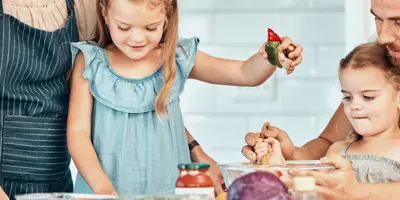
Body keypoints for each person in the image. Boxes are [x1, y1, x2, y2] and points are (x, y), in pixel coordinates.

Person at [67, 0, 303, 196]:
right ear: (105, 14)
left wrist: (272, 56)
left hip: (172, 191)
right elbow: (78, 134)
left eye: (150, 28)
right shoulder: (90, 62)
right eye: (124, 27)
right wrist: (102, 188)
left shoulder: (175, 58)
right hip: (103, 191)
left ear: (167, 17)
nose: (136, 38)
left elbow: (244, 73)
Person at [0, 0, 232, 199]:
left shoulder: (83, 6)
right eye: (124, 27)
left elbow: (132, 97)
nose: (137, 36)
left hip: (54, 173)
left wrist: (194, 150)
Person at [242, 0, 400, 163]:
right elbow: (329, 142)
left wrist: (356, 188)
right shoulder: (386, 53)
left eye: (399, 22)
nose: (383, 37)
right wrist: (291, 154)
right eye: (378, 19)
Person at [255, 42, 400, 199]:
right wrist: (278, 164)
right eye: (347, 97)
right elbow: (313, 193)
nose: (354, 106)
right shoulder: (337, 151)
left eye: (368, 97)